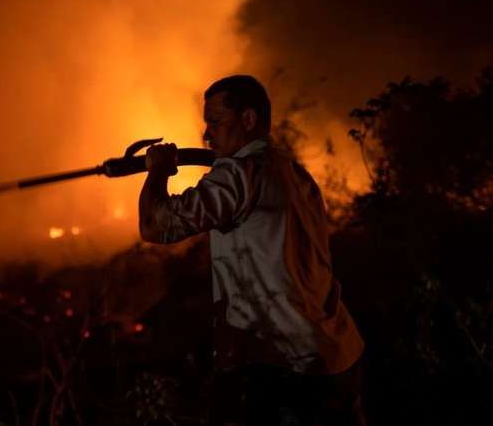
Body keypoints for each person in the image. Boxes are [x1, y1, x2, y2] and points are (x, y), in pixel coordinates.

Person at [139, 75, 366, 425]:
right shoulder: (295, 173)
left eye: (216, 122)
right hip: (334, 353)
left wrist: (158, 172)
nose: (207, 135)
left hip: (281, 364)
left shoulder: (237, 174)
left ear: (248, 119)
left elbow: (155, 226)